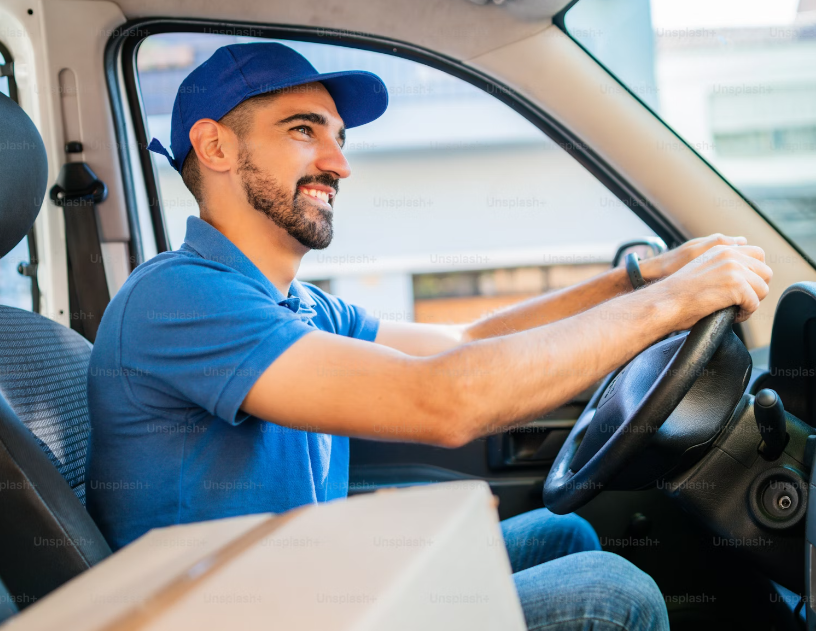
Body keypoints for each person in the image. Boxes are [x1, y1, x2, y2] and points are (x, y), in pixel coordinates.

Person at [87, 42, 772, 631]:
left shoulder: (299, 306)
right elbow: (442, 399)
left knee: (564, 535)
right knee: (611, 593)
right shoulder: (178, 295)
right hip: (248, 616)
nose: (338, 163)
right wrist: (673, 304)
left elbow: (464, 337)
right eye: (304, 131)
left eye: (339, 138)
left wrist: (640, 281)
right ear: (215, 146)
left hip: (306, 589)